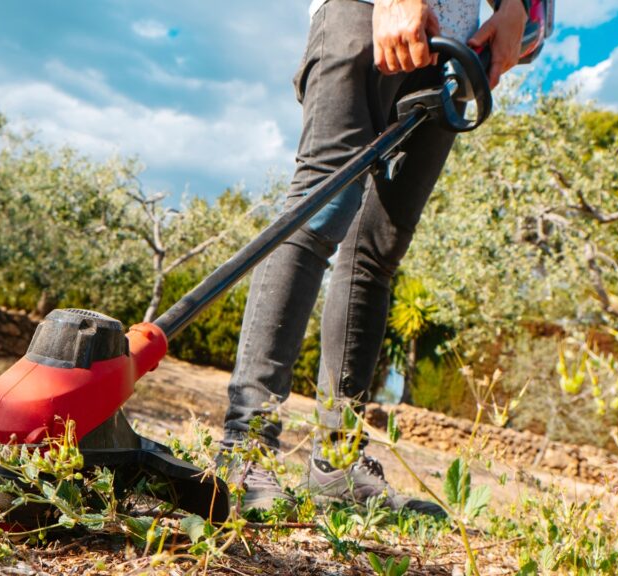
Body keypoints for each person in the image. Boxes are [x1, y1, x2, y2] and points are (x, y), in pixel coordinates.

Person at [220, 0, 528, 513]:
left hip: (452, 50)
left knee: (377, 254)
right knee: (316, 215)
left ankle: (337, 464)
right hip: (368, 13)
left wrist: (515, 8)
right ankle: (245, 448)